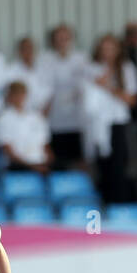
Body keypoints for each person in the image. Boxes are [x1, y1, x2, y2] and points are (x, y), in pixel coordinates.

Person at [83, 34, 137, 203]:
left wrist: (108, 86)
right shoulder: (92, 68)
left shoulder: (127, 68)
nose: (107, 53)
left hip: (118, 122)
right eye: (104, 49)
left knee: (120, 167)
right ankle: (103, 202)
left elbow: (131, 99)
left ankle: (120, 204)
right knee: (101, 167)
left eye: (111, 49)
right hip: (98, 125)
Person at [40, 24, 90, 170]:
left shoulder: (82, 59)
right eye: (59, 38)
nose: (62, 42)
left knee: (80, 160)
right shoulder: (45, 60)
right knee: (57, 161)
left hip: (77, 119)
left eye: (66, 38)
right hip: (54, 120)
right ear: (53, 41)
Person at [0, 81, 52, 173]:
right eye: (15, 94)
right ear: (9, 96)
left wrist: (49, 162)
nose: (19, 97)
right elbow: (8, 150)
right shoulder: (2, 119)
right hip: (17, 165)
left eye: (21, 93)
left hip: (39, 162)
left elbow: (45, 145)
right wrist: (31, 166)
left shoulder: (36, 117)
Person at [4, 36, 53, 116]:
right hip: (18, 115)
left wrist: (44, 114)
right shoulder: (11, 71)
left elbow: (49, 94)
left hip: (40, 115)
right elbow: (7, 96)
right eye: (24, 48)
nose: (28, 51)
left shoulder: (43, 69)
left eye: (30, 48)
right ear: (19, 51)